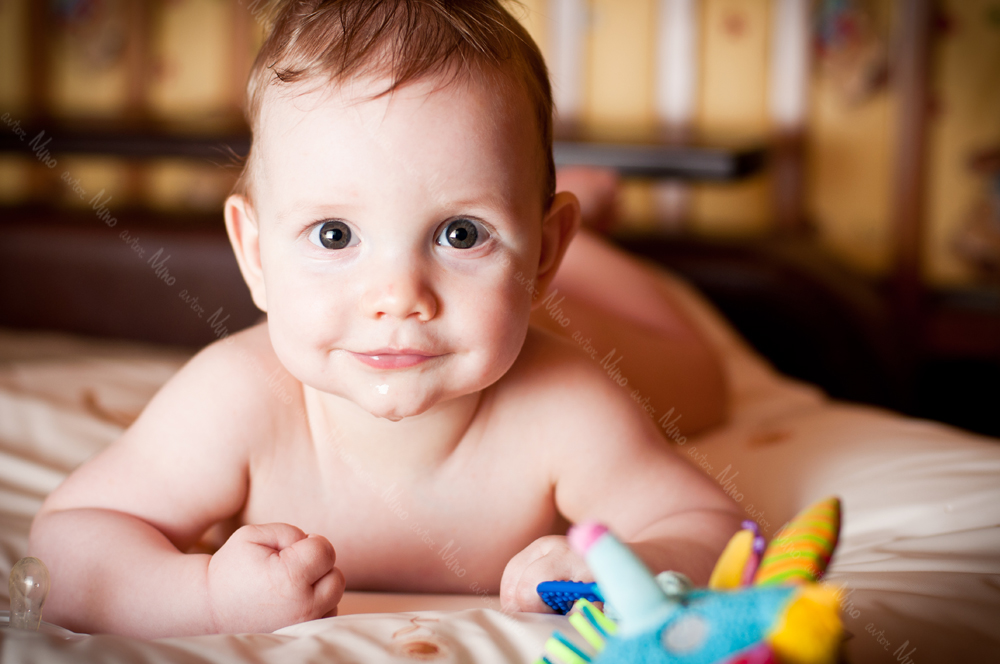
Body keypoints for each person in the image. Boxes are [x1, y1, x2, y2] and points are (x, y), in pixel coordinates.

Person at [28, 0, 736, 638]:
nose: (399, 297)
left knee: (701, 379)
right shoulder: (236, 401)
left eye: (462, 232)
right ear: (255, 254)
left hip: (577, 314)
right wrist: (206, 596)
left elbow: (712, 527)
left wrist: (634, 565)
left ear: (543, 247)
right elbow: (69, 543)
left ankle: (592, 254)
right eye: (335, 234)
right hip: (523, 292)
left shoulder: (566, 405)